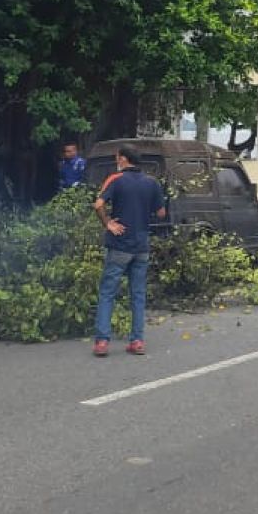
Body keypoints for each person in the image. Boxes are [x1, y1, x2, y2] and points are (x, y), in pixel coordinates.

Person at [92, 144, 166, 357]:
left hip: (119, 245)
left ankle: (102, 342)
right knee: (138, 295)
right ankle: (137, 341)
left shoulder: (115, 179)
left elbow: (98, 205)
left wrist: (108, 223)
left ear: (123, 159)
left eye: (118, 157)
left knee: (108, 292)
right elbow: (160, 213)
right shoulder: (152, 183)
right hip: (141, 246)